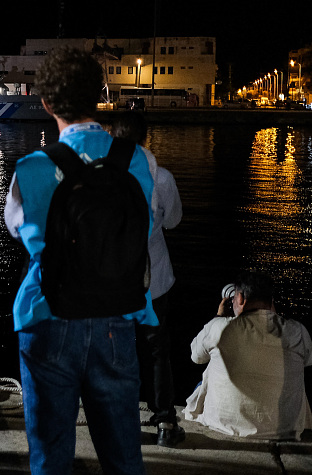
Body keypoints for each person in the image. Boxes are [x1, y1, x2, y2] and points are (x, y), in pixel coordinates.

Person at [4, 48, 158, 475]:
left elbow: (18, 229)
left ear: (47, 103)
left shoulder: (31, 167)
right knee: (124, 454)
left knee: (51, 455)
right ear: (99, 96)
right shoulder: (139, 160)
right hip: (118, 316)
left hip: (49, 314)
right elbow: (145, 226)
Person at [112, 111, 185, 447]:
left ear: (112, 135)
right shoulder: (163, 179)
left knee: (118, 350)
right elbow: (173, 221)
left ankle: (121, 418)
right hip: (154, 278)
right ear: (145, 138)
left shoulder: (101, 178)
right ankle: (164, 418)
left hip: (113, 282)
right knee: (158, 350)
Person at [183, 272, 312, 440]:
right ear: (271, 301)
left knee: (210, 369)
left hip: (224, 423)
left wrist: (218, 318)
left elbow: (196, 357)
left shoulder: (219, 327)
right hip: (285, 429)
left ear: (239, 299)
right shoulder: (297, 331)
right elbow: (308, 362)